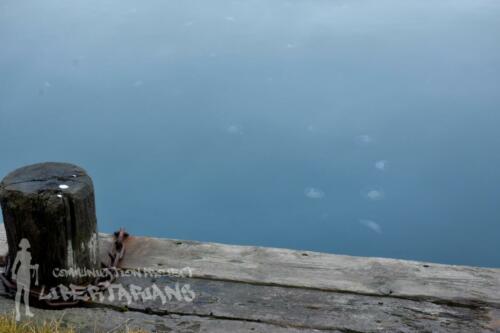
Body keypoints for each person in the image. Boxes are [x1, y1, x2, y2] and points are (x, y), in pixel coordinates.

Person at [11, 238, 39, 321]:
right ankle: (17, 313)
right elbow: (15, 264)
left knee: (26, 293)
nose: (24, 246)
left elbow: (28, 265)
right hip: (20, 273)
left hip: (27, 274)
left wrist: (34, 267)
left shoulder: (29, 254)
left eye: (25, 244)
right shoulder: (19, 253)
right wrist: (13, 274)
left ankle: (27, 311)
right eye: (23, 244)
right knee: (19, 292)